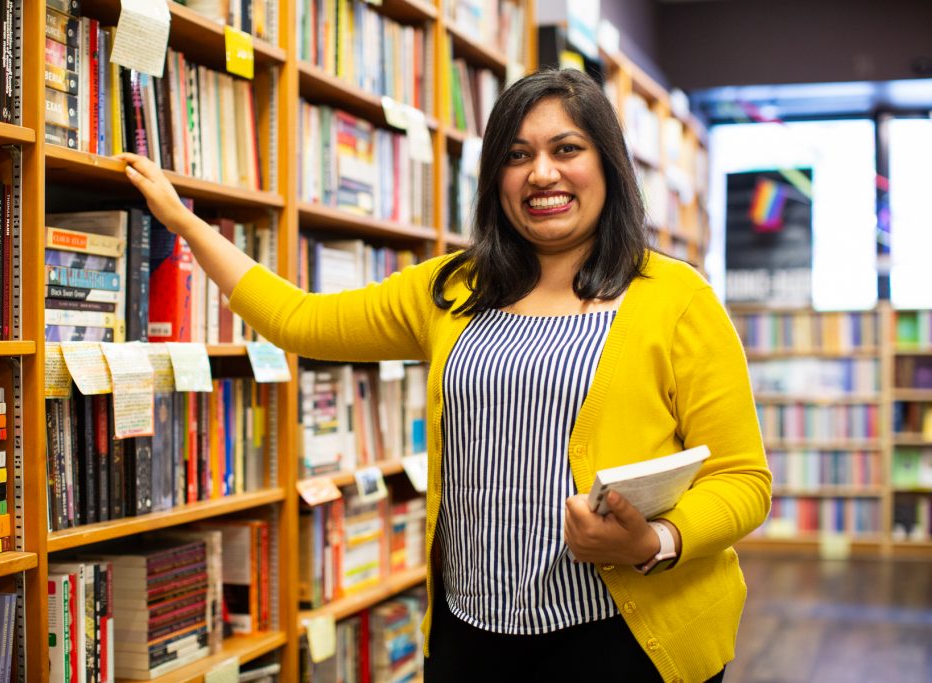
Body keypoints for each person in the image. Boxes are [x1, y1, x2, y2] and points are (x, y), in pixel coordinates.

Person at [119, 68, 771, 682]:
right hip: (472, 636)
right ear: (495, 177)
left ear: (607, 163)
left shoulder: (677, 298)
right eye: (517, 155)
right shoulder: (453, 289)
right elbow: (298, 319)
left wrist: (653, 539)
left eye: (566, 148)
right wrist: (183, 223)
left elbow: (743, 479)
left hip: (623, 638)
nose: (542, 173)